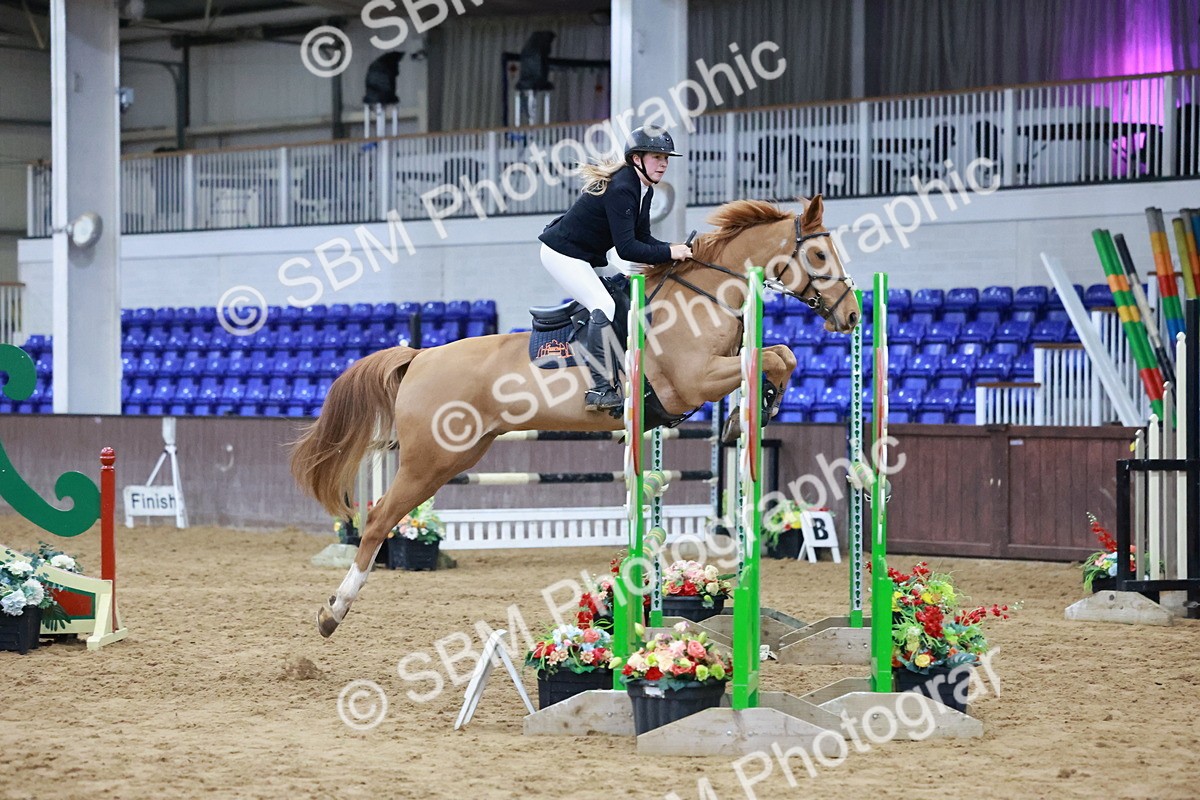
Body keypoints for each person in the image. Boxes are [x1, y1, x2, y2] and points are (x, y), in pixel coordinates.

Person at [538, 126, 693, 413]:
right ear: (637, 159)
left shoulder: (643, 188)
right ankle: (599, 389)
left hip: (584, 255)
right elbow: (627, 249)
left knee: (623, 298)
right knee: (604, 305)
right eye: (657, 157)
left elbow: (644, 239)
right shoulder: (623, 188)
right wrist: (670, 252)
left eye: (666, 158)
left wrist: (675, 249)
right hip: (562, 254)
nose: (663, 163)